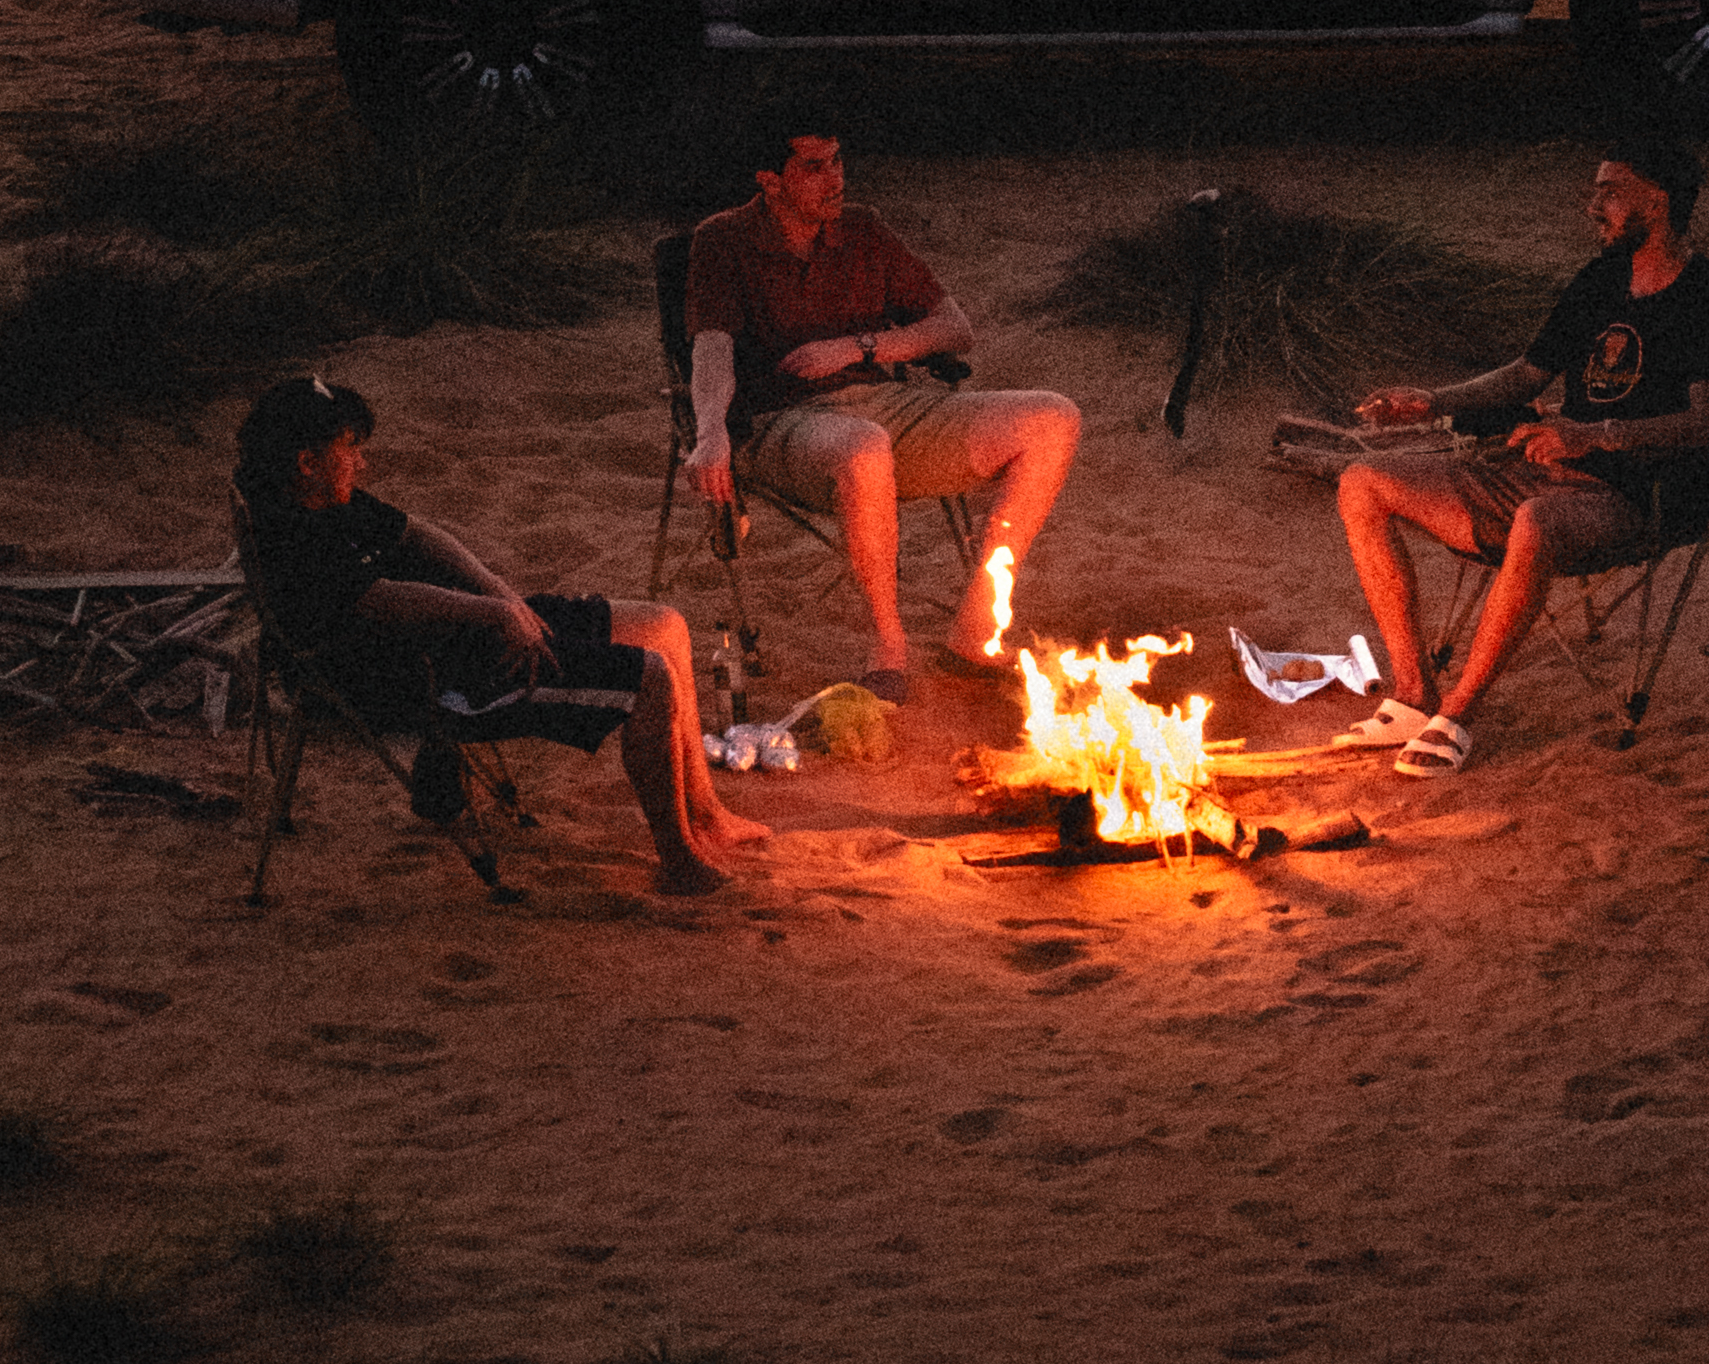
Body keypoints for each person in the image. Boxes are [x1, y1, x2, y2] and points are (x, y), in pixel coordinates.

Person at [233, 371, 761, 895]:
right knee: (649, 678)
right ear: (306, 462)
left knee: (664, 626)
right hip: (428, 679)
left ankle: (708, 814)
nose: (362, 462)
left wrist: (501, 596)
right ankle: (678, 862)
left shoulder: (324, 499)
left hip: (465, 631)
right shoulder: (293, 532)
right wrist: (492, 615)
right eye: (350, 449)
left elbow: (419, 535)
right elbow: (383, 599)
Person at [1330, 135, 1709, 768]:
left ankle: (1457, 716)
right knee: (1362, 481)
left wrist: (1595, 435)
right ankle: (1414, 696)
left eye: (1610, 191)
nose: (1593, 205)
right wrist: (1433, 400)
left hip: (1640, 494)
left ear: (1658, 201)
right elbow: (1526, 375)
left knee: (1536, 521)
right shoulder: (1601, 280)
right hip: (1541, 470)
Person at [683, 126, 1080, 690]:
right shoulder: (723, 240)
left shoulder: (862, 229)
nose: (836, 178)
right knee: (863, 446)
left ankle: (977, 628)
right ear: (770, 180)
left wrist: (856, 347)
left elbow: (954, 329)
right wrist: (710, 432)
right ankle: (888, 646)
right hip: (781, 425)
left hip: (886, 404)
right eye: (814, 167)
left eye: (838, 161)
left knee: (1052, 417)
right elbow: (712, 347)